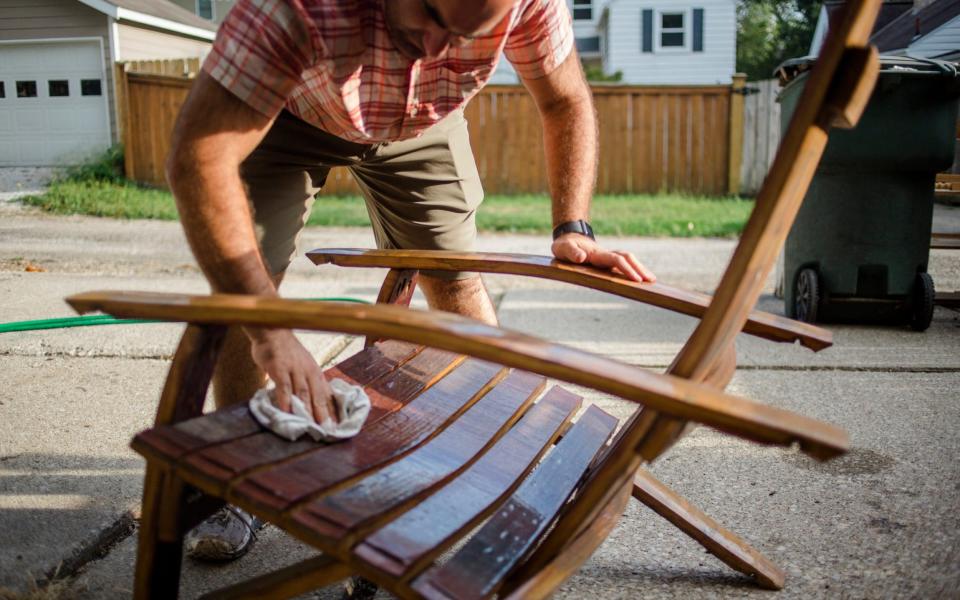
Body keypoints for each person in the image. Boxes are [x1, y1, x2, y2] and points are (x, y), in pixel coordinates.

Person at [166, 0, 656, 562]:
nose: (435, 50)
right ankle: (240, 483)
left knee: (453, 277)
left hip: (420, 123)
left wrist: (574, 225)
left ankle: (499, 455)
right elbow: (198, 157)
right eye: (426, 13)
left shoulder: (532, 5)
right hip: (288, 110)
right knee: (249, 287)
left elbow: (564, 99)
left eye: (466, 36)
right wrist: (269, 328)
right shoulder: (297, 9)